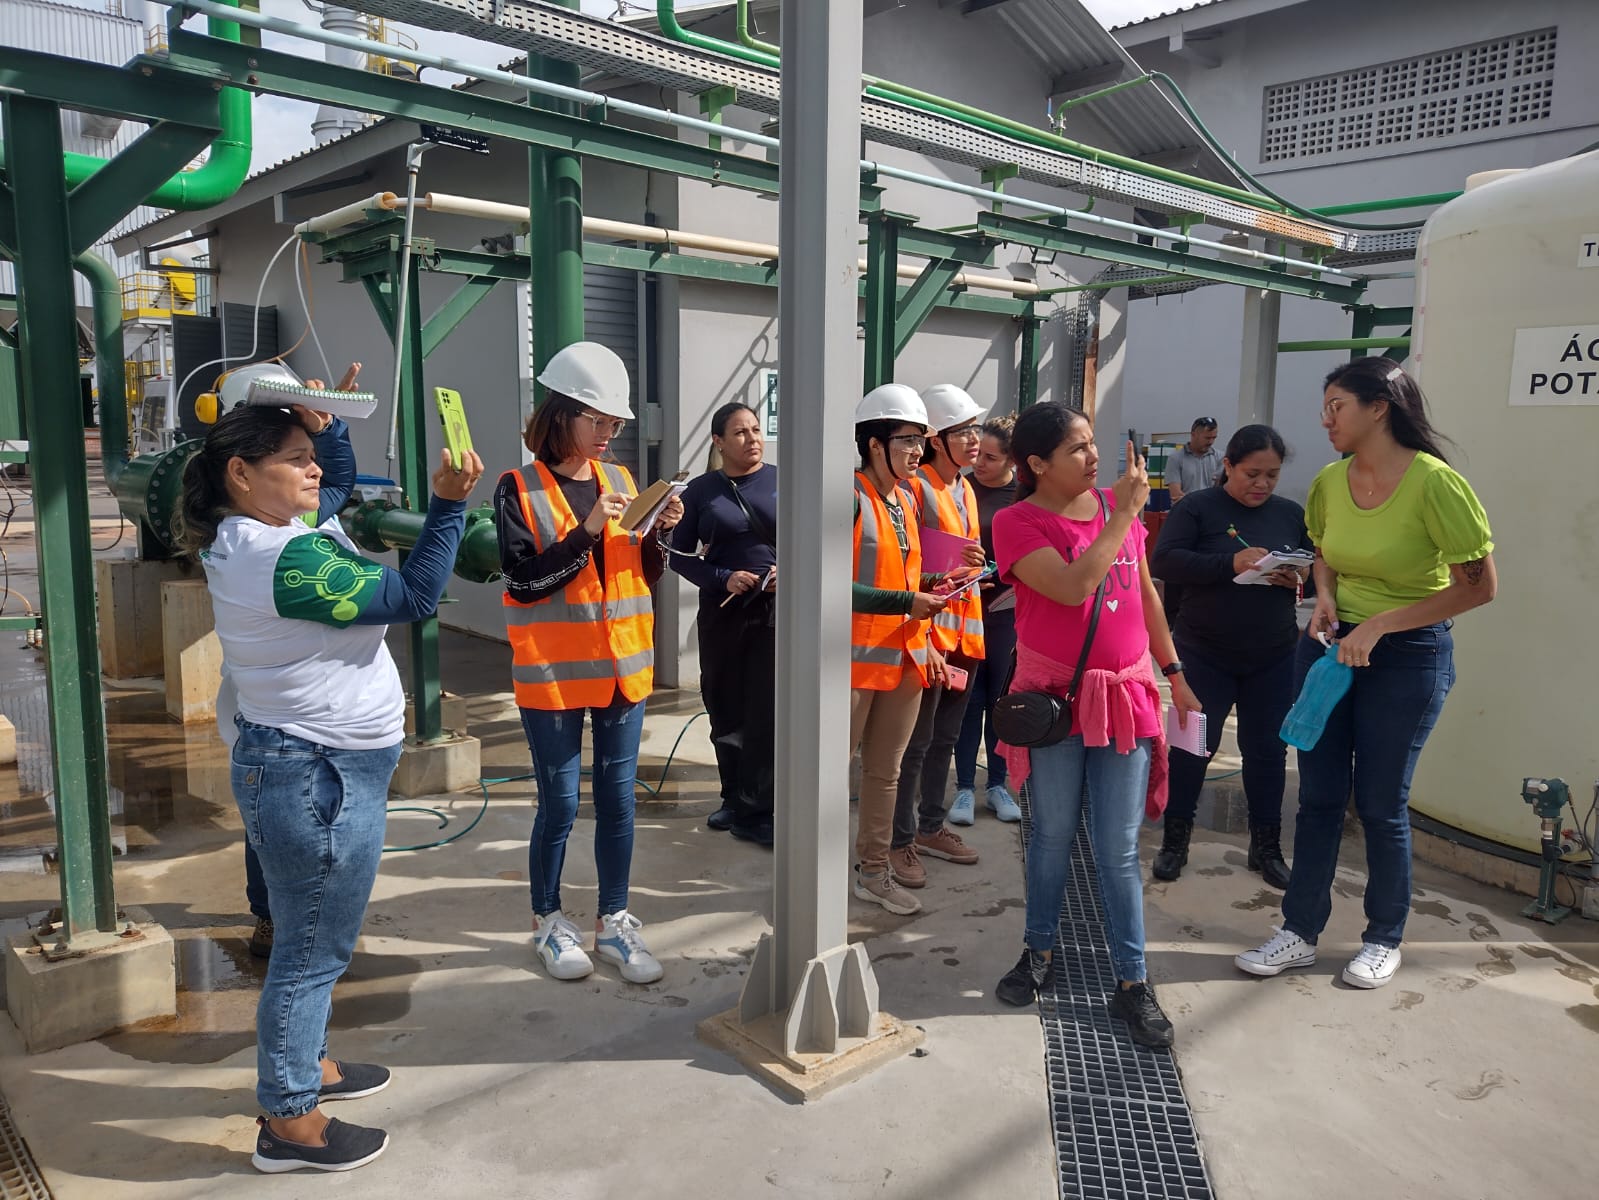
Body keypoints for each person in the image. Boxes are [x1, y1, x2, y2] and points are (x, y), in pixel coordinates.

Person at [179, 365, 484, 1173]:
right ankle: (289, 1125)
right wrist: (449, 503)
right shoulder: (284, 563)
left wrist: (328, 427)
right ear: (242, 473)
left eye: (309, 453)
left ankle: (305, 1067)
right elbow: (416, 595)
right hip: (315, 778)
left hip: (318, 770)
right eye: (293, 456)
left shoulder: (270, 533)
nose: (313, 469)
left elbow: (336, 484)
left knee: (313, 943)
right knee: (311, 954)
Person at [1236, 358, 1495, 990]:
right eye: (1324, 407)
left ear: (1379, 407)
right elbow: (1324, 554)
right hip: (1329, 652)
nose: (1325, 419)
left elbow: (1480, 588)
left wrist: (1381, 625)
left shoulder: (1436, 484)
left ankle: (1383, 937)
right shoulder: (1330, 481)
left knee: (1381, 805)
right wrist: (1323, 596)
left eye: (1337, 406)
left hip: (1407, 658)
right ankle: (1298, 931)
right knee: (1319, 799)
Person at [989, 402, 1202, 1049]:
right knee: (1050, 835)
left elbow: (1143, 595)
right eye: (1077, 448)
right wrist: (1121, 516)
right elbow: (1073, 586)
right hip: (1053, 704)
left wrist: (1172, 671)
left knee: (1117, 848)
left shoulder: (1115, 513)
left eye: (1091, 444)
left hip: (1125, 698)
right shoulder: (1016, 522)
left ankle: (1132, 983)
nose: (1092, 456)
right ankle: (1039, 952)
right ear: (1035, 464)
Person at [494, 341, 684, 987]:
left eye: (614, 425)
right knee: (558, 804)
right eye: (596, 421)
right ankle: (547, 919)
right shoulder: (518, 486)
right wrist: (583, 535)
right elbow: (523, 583)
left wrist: (657, 531)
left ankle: (614, 921)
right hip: (551, 674)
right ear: (561, 415)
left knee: (618, 800)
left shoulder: (625, 484)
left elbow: (639, 572)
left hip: (622, 672)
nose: (608, 435)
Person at [1149, 424, 1311, 888]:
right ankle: (1175, 841)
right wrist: (1231, 563)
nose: (1261, 485)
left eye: (1272, 476)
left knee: (1267, 751)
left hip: (1274, 654)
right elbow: (1164, 562)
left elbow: (1317, 570)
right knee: (1192, 747)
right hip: (1205, 653)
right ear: (1227, 466)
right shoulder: (1198, 508)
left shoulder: (1289, 514)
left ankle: (1267, 847)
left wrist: (1297, 580)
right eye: (1251, 474)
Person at [850, 384, 948, 916]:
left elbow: (903, 574)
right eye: (908, 440)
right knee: (831, 769)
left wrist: (941, 579)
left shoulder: (906, 498)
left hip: (905, 657)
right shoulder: (850, 496)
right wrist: (907, 601)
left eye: (921, 441)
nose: (917, 451)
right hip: (850, 661)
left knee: (885, 773)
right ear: (874, 444)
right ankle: (812, 870)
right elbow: (827, 583)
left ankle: (873, 870)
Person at [887, 383, 989, 887]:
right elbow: (909, 565)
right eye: (961, 431)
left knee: (945, 736)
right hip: (928, 630)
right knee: (916, 741)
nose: (974, 440)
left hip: (963, 630)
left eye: (974, 429)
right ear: (935, 439)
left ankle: (930, 825)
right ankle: (900, 838)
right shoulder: (917, 487)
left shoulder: (964, 488)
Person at [670, 402, 777, 846]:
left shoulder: (782, 482)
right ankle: (732, 798)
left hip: (774, 611)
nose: (752, 439)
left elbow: (816, 540)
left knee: (767, 710)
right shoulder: (701, 491)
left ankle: (759, 809)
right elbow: (676, 554)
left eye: (756, 430)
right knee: (725, 706)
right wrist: (721, 576)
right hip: (723, 611)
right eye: (739, 432)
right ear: (718, 441)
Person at [952, 414, 1022, 825]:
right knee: (967, 699)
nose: (979, 462)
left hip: (1006, 611)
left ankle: (997, 784)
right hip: (965, 607)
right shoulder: (961, 489)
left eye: (991, 458)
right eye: (978, 453)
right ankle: (963, 788)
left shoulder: (1023, 497)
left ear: (1013, 460)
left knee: (1001, 701)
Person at [1164, 417, 1222, 504]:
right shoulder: (1175, 458)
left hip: (1210, 513)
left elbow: (1221, 492)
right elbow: (1176, 495)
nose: (1211, 442)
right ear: (1193, 434)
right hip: (1186, 513)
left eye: (1214, 438)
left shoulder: (1220, 458)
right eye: (1207, 438)